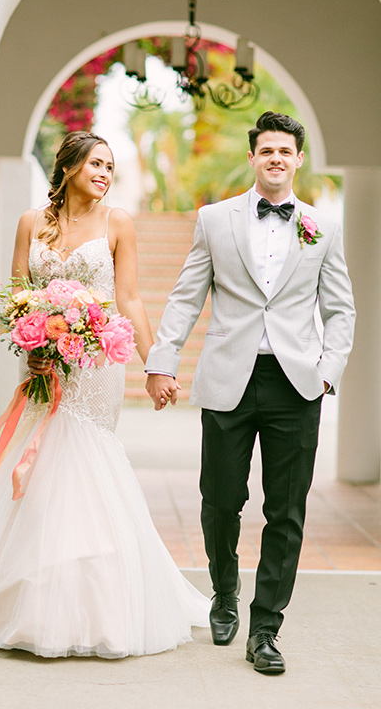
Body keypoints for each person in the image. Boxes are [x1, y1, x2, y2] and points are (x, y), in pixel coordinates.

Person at [0, 131, 210, 659]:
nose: (104, 173)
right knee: (43, 461)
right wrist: (31, 343)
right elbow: (16, 296)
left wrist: (156, 364)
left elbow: (131, 298)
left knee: (85, 459)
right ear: (69, 166)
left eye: (110, 166)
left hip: (97, 366)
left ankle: (98, 600)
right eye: (96, 163)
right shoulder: (31, 222)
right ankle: (29, 595)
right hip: (47, 362)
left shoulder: (118, 222)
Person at [145, 112, 355, 674]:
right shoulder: (215, 220)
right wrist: (162, 361)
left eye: (286, 151)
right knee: (220, 500)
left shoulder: (322, 227)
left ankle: (265, 628)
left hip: (295, 383)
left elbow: (340, 308)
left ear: (299, 159)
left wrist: (328, 369)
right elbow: (187, 296)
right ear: (253, 157)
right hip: (227, 380)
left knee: (285, 511)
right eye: (267, 151)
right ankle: (224, 592)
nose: (277, 160)